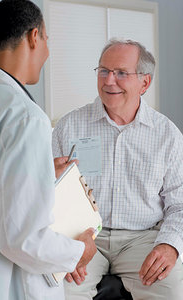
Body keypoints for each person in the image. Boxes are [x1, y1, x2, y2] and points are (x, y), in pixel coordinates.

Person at [52, 38, 183, 299]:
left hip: (143, 239)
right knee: (58, 289)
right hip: (83, 236)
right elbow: (48, 194)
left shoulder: (168, 135)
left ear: (144, 83)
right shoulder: (68, 126)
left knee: (172, 289)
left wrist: (170, 246)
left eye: (121, 73)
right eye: (104, 70)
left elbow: (179, 203)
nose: (109, 80)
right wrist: (63, 243)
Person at [0, 1, 97, 300]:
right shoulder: (25, 117)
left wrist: (43, 175)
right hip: (9, 286)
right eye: (47, 39)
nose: (47, 50)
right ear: (34, 37)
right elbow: (21, 239)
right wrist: (80, 251)